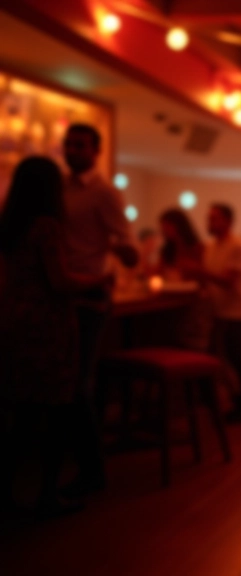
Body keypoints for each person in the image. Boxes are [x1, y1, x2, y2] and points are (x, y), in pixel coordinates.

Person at [0, 157, 110, 517]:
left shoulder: (9, 225)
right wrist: (98, 282)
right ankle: (47, 495)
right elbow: (59, 282)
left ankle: (8, 495)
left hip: (15, 319)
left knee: (22, 411)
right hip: (48, 323)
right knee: (57, 408)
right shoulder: (47, 227)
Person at [61, 123, 139, 499]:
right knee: (64, 382)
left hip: (88, 296)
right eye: (69, 144)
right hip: (61, 294)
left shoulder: (103, 192)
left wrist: (123, 254)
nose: (72, 150)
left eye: (80, 145)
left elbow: (128, 245)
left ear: (96, 151)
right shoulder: (59, 188)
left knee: (78, 384)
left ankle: (92, 471)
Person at [184, 204, 241, 423]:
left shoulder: (238, 246)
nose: (209, 223)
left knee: (238, 359)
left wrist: (199, 272)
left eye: (214, 219)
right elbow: (212, 279)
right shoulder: (210, 247)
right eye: (209, 218)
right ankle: (233, 402)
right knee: (224, 359)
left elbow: (228, 281)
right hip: (221, 312)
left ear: (228, 221)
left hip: (240, 312)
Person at [157, 208, 212, 351]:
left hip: (194, 301)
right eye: (163, 226)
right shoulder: (167, 249)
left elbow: (203, 277)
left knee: (193, 342)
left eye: (168, 226)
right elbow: (158, 272)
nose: (165, 229)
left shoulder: (197, 247)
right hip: (171, 299)